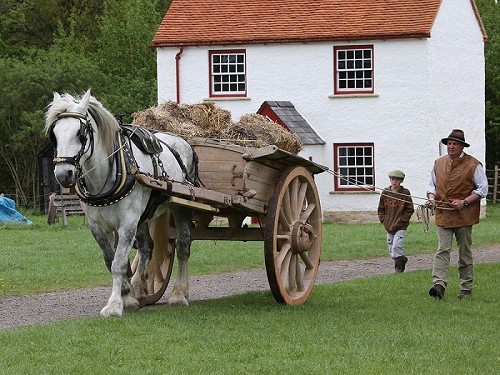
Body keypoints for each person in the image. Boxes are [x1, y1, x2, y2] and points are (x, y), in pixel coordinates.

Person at [426, 129, 488, 299]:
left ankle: (466, 288)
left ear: (462, 146)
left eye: (455, 144)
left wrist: (465, 202)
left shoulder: (473, 164)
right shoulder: (438, 163)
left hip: (464, 215)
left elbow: (483, 189)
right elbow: (432, 186)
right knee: (442, 250)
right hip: (444, 214)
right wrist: (432, 199)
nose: (451, 147)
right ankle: (439, 285)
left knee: (464, 252)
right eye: (449, 144)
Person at [377, 169, 414, 273]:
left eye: (397, 180)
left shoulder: (405, 193)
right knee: (391, 248)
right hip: (389, 224)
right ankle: (402, 259)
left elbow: (409, 209)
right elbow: (381, 208)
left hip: (401, 225)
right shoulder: (385, 192)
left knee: (397, 246)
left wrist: (402, 220)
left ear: (401, 181)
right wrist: (384, 220)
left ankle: (399, 269)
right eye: (392, 179)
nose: (394, 182)